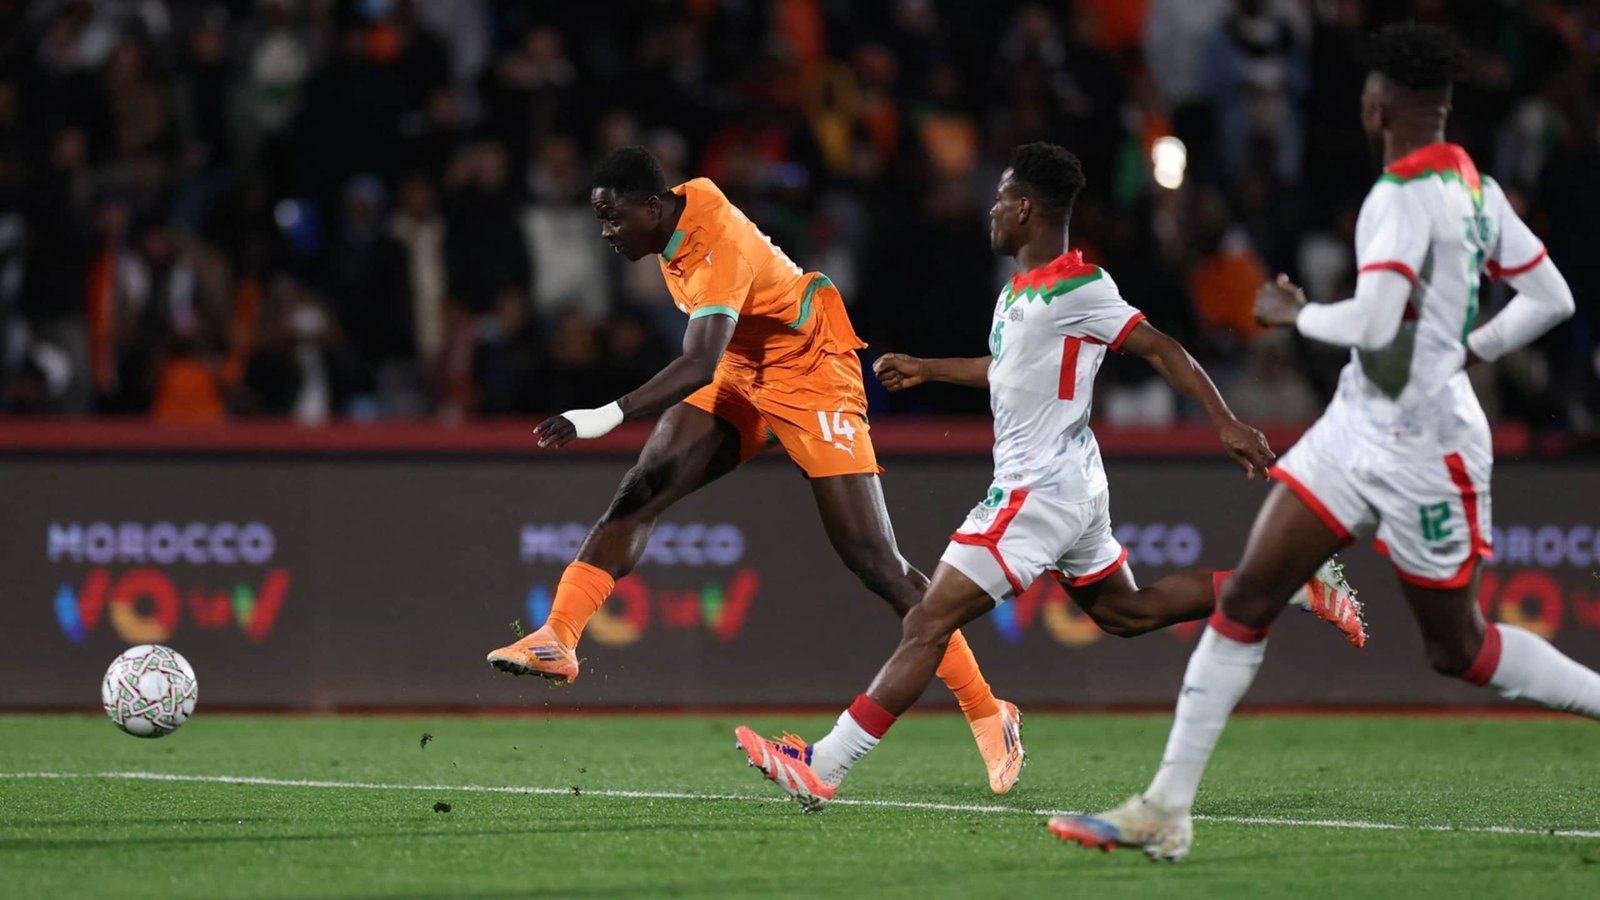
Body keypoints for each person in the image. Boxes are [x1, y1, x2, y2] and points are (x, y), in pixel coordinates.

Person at [1048, 23, 1596, 862]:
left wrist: (1296, 313)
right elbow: (1551, 296)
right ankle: (1164, 808)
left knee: (1460, 648)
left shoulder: (1398, 198)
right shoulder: (1476, 189)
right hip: (1357, 428)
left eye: (1369, 91)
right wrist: (1465, 350)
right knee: (1248, 597)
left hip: (1427, 450)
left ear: (1381, 106)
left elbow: (1373, 324)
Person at [732, 142, 1365, 813]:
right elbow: (1005, 369)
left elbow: (1160, 347)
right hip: (1072, 483)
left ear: (1025, 209)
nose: (992, 211)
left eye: (1001, 199)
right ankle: (1290, 583)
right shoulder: (1017, 293)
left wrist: (1226, 422)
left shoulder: (1080, 287)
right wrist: (928, 368)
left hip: (1038, 489)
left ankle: (824, 765)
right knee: (1127, 612)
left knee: (928, 619)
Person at [486, 147, 1025, 794]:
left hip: (811, 370)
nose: (607, 232)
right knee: (642, 489)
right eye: (600, 218)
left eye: (614, 217)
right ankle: (558, 637)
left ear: (653, 208)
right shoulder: (670, 215)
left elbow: (696, 363)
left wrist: (604, 415)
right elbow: (714, 353)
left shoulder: (714, 245)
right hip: (743, 366)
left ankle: (989, 711)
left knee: (875, 562)